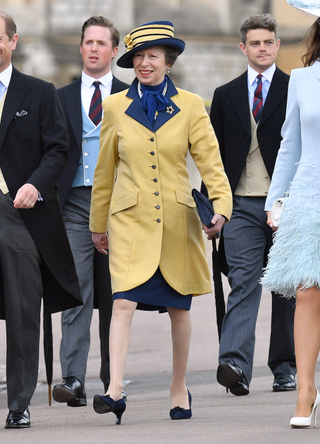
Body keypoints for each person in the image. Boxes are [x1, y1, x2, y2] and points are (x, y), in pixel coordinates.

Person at [89, 20, 232, 424]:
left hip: (176, 222)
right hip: (129, 222)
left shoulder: (190, 105)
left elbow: (211, 164)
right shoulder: (115, 106)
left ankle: (178, 387)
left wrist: (220, 206)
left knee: (178, 310)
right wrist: (97, 224)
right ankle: (115, 390)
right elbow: (104, 172)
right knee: (123, 302)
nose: (144, 63)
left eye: (152, 56)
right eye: (138, 56)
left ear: (168, 61)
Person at [0, 11, 82, 429]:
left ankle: (18, 403)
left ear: (13, 41)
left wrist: (34, 185)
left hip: (20, 213)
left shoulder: (38, 92)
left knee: (21, 311)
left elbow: (59, 148)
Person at [209, 13, 296, 396]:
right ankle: (234, 365)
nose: (262, 48)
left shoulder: (297, 90)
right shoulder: (225, 95)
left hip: (286, 202)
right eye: (255, 42)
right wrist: (214, 204)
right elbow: (213, 158)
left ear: (277, 46)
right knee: (243, 281)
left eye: (268, 42)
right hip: (240, 203)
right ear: (243, 47)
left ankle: (284, 366)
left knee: (286, 286)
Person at [52, 16, 128, 408]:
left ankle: (112, 381)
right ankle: (73, 378)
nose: (94, 48)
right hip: (74, 204)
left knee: (116, 296)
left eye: (102, 43)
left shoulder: (130, 96)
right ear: (81, 48)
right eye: (88, 42)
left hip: (119, 204)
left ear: (114, 51)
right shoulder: (58, 97)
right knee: (76, 291)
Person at [261, 0, 320, 429]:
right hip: (310, 196)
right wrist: (274, 200)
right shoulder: (302, 80)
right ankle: (305, 390)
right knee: (307, 293)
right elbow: (289, 146)